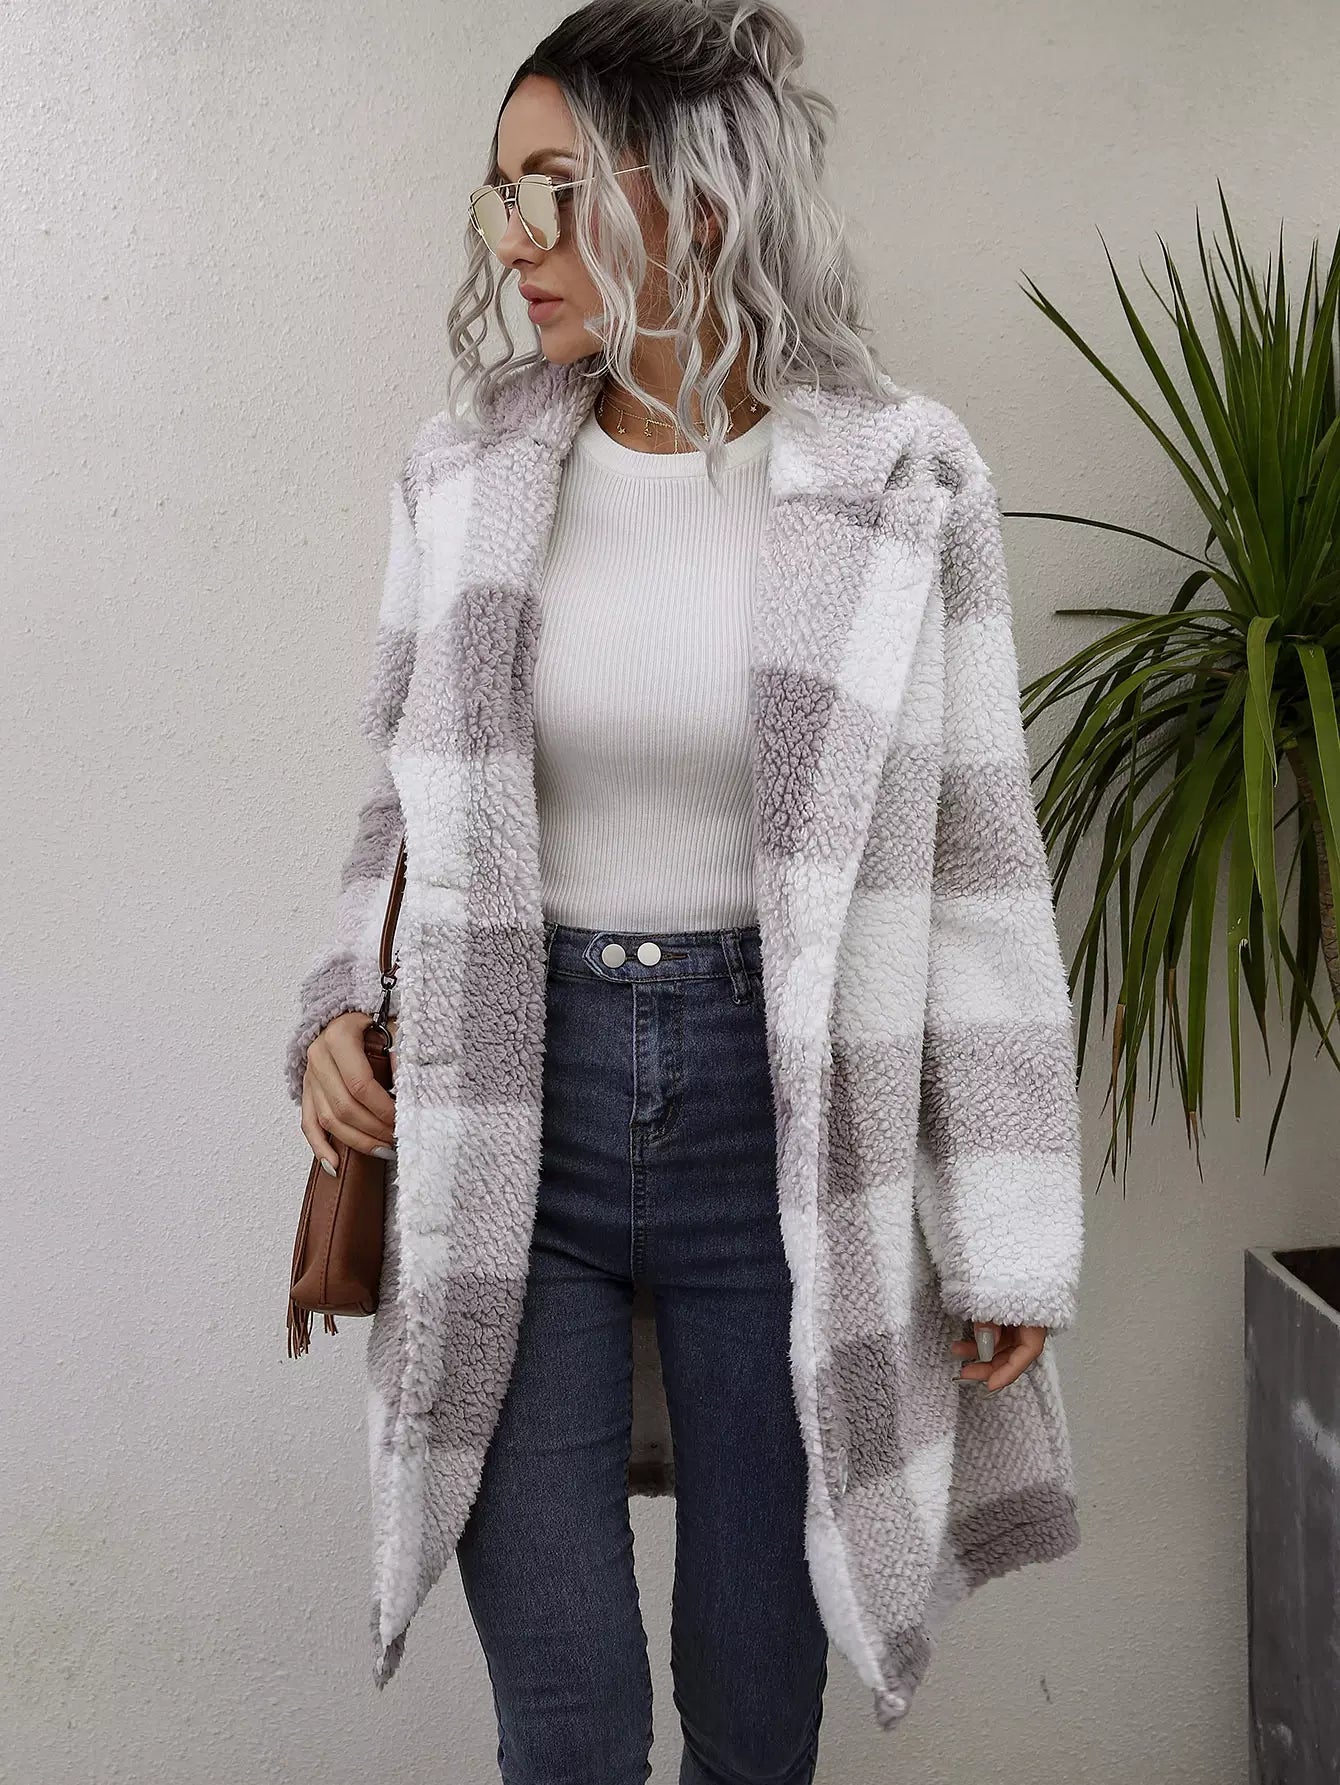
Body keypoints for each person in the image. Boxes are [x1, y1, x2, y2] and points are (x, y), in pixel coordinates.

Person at [284, 2, 1085, 1778]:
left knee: (754, 1711)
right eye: (499, 196)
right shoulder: (466, 473)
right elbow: (398, 804)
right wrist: (341, 1005)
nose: (513, 242)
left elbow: (976, 860)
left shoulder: (901, 480)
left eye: (553, 189)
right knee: (566, 1724)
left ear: (698, 198)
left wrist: (1007, 1220)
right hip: (513, 1114)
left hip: (787, 1132)